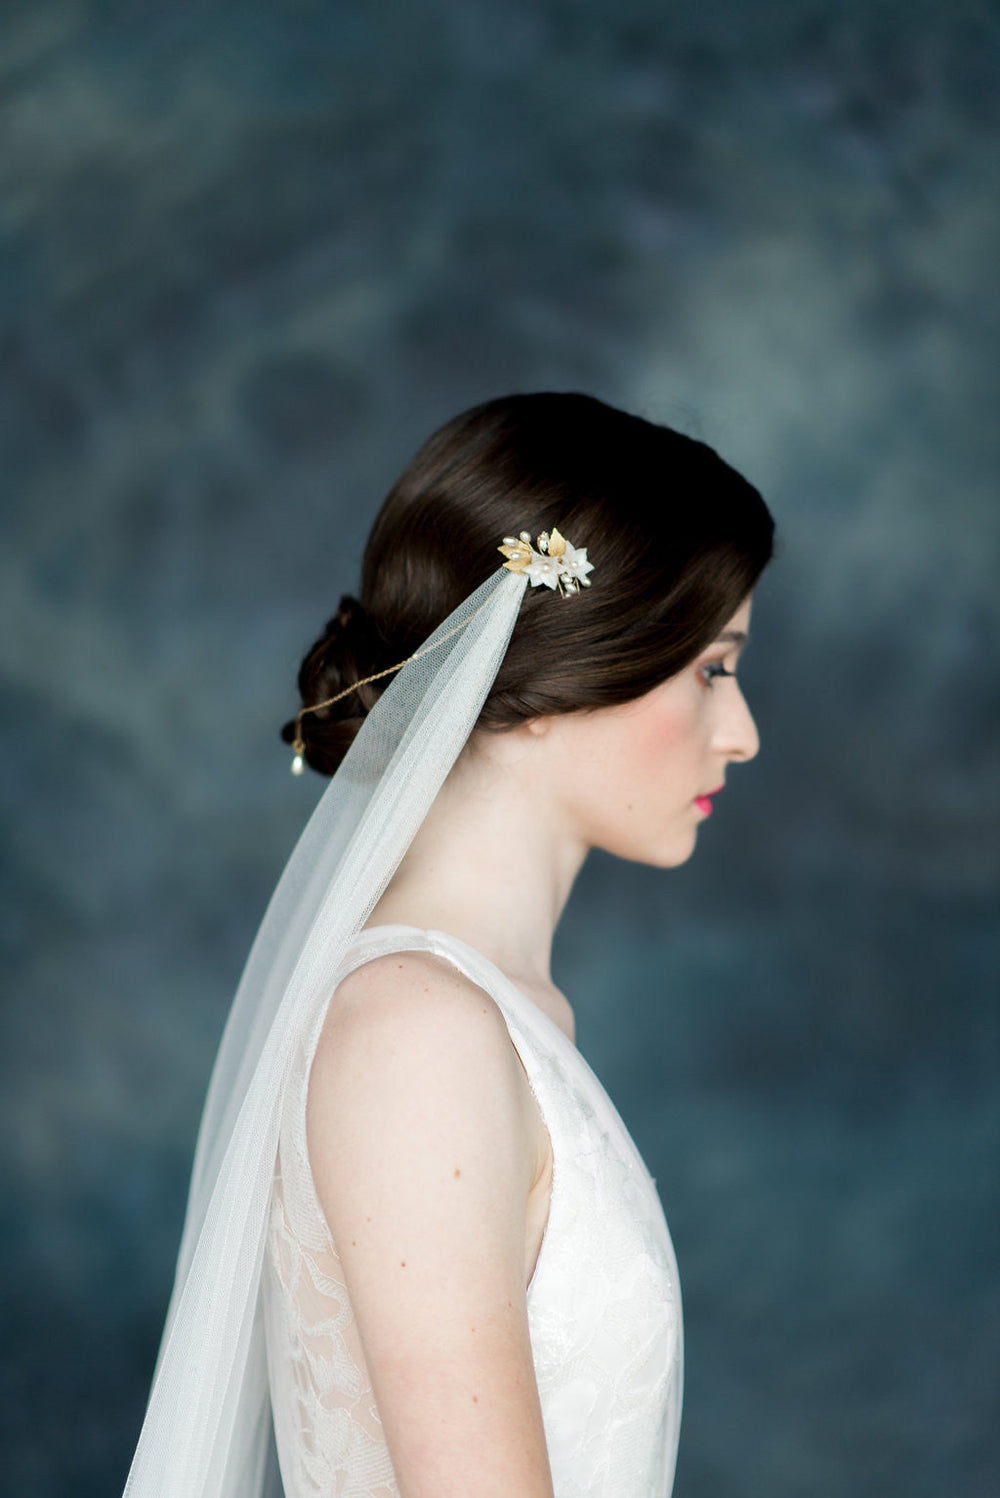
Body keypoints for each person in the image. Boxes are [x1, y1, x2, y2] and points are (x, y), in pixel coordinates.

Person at [123, 392, 775, 1498]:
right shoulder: (418, 1033)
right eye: (711, 667)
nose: (743, 731)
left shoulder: (490, 1017)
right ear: (545, 681)